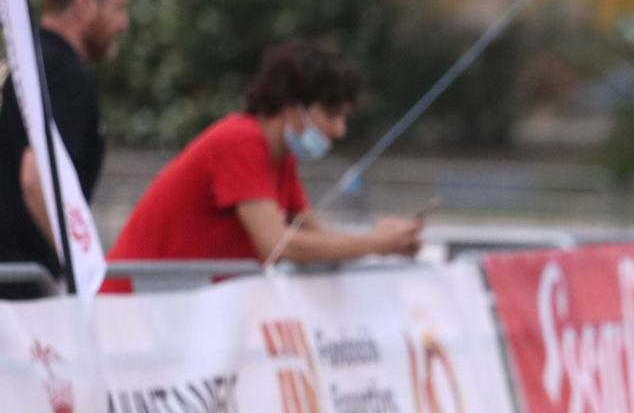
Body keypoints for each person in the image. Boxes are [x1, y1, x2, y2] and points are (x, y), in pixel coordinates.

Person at [105, 40, 421, 289]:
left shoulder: (280, 158)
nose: (340, 130)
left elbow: (316, 238)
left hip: (168, 309)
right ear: (291, 107)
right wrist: (375, 243)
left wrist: (379, 237)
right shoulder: (241, 141)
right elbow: (277, 243)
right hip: (134, 309)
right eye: (331, 115)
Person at [0, 0, 132, 300]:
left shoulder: (22, 65)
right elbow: (37, 177)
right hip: (27, 297)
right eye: (119, 7)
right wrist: (82, 267)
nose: (124, 22)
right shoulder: (62, 73)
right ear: (85, 4)